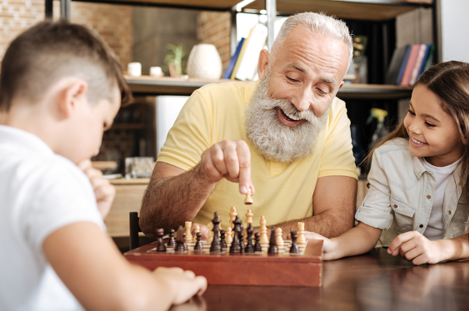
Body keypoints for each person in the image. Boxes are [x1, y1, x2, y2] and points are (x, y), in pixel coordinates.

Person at [0, 20, 206, 311]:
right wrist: (169, 283)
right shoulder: (48, 174)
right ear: (73, 97)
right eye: (103, 124)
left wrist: (86, 218)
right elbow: (126, 306)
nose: (97, 147)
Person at [140, 12, 358, 239]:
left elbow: (337, 220)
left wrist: (243, 241)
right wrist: (203, 175)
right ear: (265, 65)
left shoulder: (335, 114)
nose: (302, 104)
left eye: (322, 90)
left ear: (336, 91)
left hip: (293, 269)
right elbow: (151, 221)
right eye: (293, 78)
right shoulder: (209, 102)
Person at [306, 61, 469, 264]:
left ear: (467, 133)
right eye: (412, 112)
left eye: (429, 123)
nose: (413, 127)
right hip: (402, 274)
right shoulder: (389, 158)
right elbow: (367, 230)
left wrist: (443, 249)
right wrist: (334, 247)